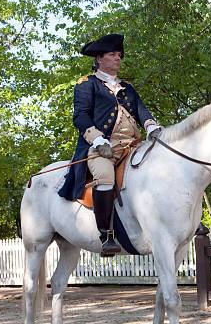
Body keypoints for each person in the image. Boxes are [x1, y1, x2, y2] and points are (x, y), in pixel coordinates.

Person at [58, 34, 161, 257]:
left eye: (119, 55)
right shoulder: (87, 85)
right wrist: (96, 138)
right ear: (99, 59)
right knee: (105, 177)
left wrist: (151, 125)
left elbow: (140, 110)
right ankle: (106, 235)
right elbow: (81, 116)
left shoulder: (127, 87)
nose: (118, 59)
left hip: (133, 144)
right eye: (113, 55)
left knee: (162, 166)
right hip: (102, 147)